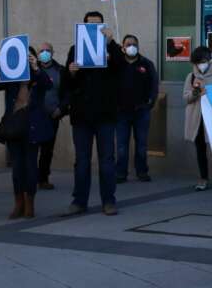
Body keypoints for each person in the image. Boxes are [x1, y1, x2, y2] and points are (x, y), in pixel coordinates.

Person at [59, 11, 122, 217]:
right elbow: (67, 83)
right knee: (82, 160)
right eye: (90, 24)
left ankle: (109, 201)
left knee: (106, 160)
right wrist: (71, 72)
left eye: (98, 24)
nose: (94, 28)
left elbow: (122, 70)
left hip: (105, 114)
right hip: (82, 115)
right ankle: (79, 201)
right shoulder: (75, 49)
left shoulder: (112, 49)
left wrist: (111, 44)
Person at [0, 47, 54, 219]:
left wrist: (36, 67)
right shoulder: (10, 75)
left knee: (31, 166)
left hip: (33, 127)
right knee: (17, 167)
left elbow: (48, 84)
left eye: (28, 57)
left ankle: (30, 202)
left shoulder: (38, 75)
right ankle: (19, 203)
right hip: (14, 127)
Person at [115, 34, 159, 184]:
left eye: (134, 44)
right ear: (123, 47)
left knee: (141, 144)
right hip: (121, 112)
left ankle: (142, 172)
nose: (131, 47)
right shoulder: (117, 65)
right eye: (128, 44)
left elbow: (154, 86)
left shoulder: (146, 64)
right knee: (121, 145)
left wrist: (150, 103)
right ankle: (120, 173)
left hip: (141, 111)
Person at [184, 46, 212, 192]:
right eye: (198, 62)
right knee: (200, 149)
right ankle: (203, 178)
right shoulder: (191, 77)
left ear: (209, 60)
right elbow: (186, 98)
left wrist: (209, 93)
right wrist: (195, 92)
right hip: (197, 119)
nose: (201, 65)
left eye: (204, 61)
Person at [36, 42, 64, 190]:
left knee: (47, 150)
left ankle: (43, 178)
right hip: (33, 117)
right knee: (32, 150)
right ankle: (31, 178)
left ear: (53, 53)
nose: (45, 53)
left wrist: (61, 109)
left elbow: (67, 94)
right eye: (42, 50)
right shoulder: (31, 70)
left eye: (48, 50)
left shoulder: (60, 71)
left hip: (52, 116)